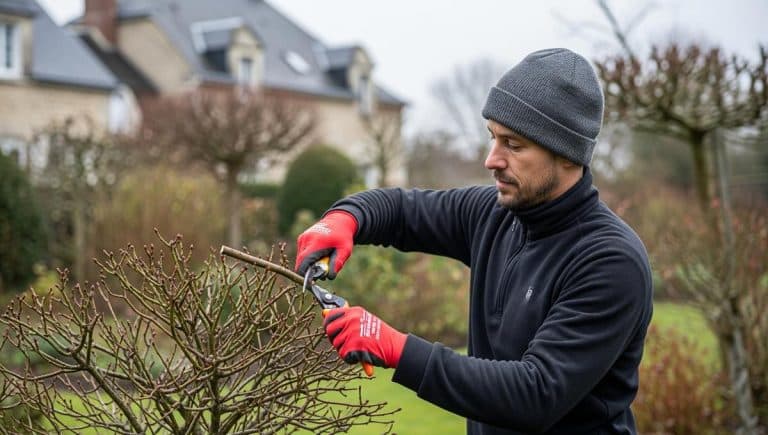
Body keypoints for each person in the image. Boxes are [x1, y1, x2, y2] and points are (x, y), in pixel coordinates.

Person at [295, 48, 653, 434]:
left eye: (513, 145)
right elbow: (400, 210)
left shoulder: (610, 261)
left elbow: (536, 393)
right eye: (493, 138)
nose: (491, 159)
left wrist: (398, 349)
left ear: (567, 153)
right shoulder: (494, 213)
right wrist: (344, 219)